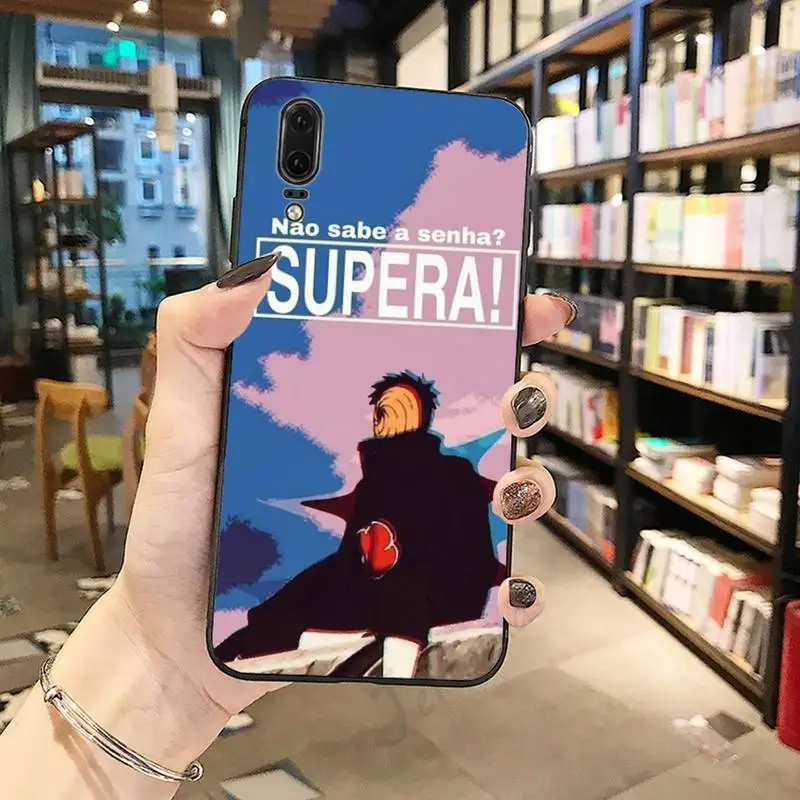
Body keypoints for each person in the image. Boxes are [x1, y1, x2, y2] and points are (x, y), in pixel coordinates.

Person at [0, 254, 572, 799]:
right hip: (357, 585)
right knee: (280, 609)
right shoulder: (376, 472)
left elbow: (451, 549)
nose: (384, 421)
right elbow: (355, 550)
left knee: (393, 597)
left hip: (420, 593)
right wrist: (158, 659)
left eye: (396, 411)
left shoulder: (445, 473)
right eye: (381, 412)